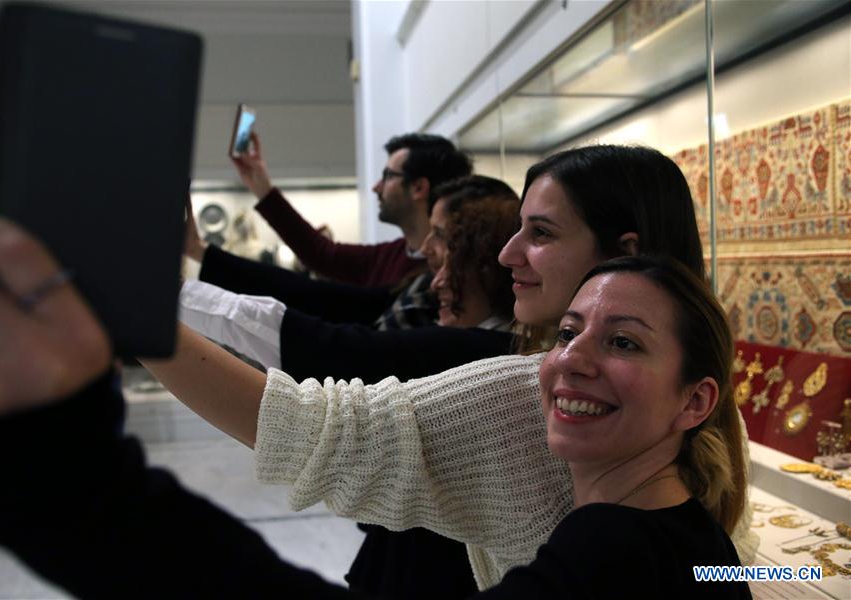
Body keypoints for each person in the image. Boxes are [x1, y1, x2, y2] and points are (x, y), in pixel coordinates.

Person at [0, 219, 751, 599]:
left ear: (696, 401)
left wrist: (77, 492)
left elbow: (321, 368)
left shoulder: (614, 544)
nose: (572, 357)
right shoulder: (684, 533)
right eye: (569, 333)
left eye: (625, 342)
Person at [142, 145, 758, 589]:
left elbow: (314, 402)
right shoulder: (660, 477)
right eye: (569, 335)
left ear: (695, 400)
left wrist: (141, 309)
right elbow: (728, 565)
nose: (509, 254)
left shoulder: (536, 416)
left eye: (541, 233)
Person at [179, 175, 519, 383]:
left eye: (442, 235)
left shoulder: (482, 346)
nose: (376, 185)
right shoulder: (422, 287)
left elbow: (349, 348)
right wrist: (200, 253)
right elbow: (321, 294)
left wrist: (173, 293)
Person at [185, 132, 473, 288]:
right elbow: (320, 254)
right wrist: (261, 185)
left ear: (418, 188)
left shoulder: (442, 278)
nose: (376, 187)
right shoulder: (393, 254)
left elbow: (317, 272)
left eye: (387, 177)